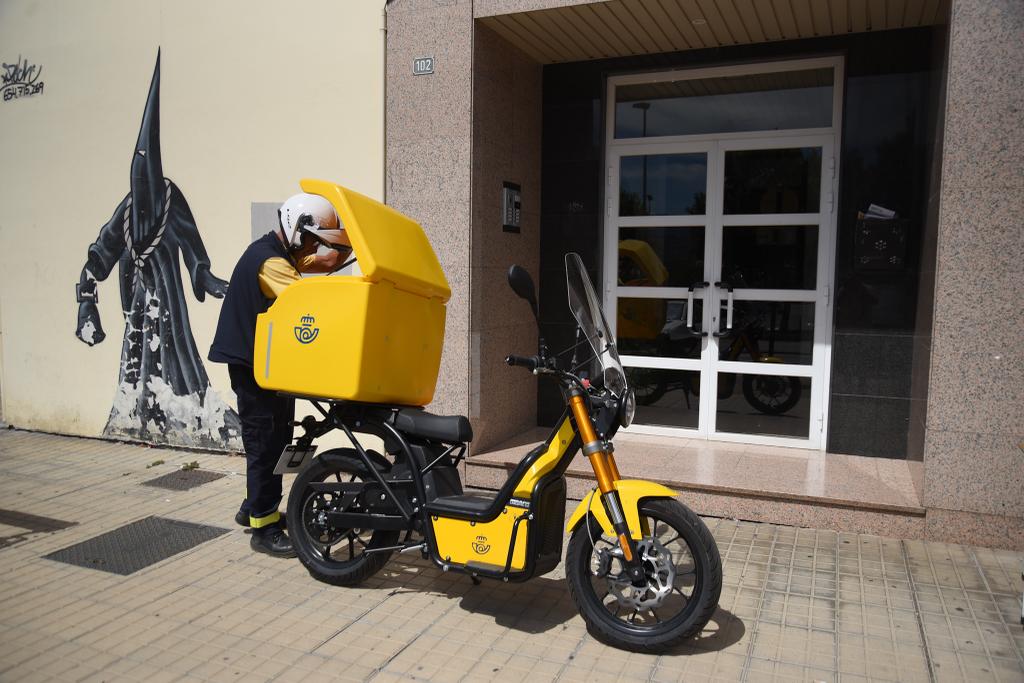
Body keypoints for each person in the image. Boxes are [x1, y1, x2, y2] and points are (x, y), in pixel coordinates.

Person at [208, 193, 351, 557]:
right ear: (296, 227)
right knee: (264, 443)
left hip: (272, 368)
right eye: (311, 240)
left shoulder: (278, 252)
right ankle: (264, 526)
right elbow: (305, 300)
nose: (312, 249)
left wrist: (344, 246)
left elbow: (319, 264)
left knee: (278, 438)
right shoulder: (270, 262)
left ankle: (253, 507)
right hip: (253, 368)